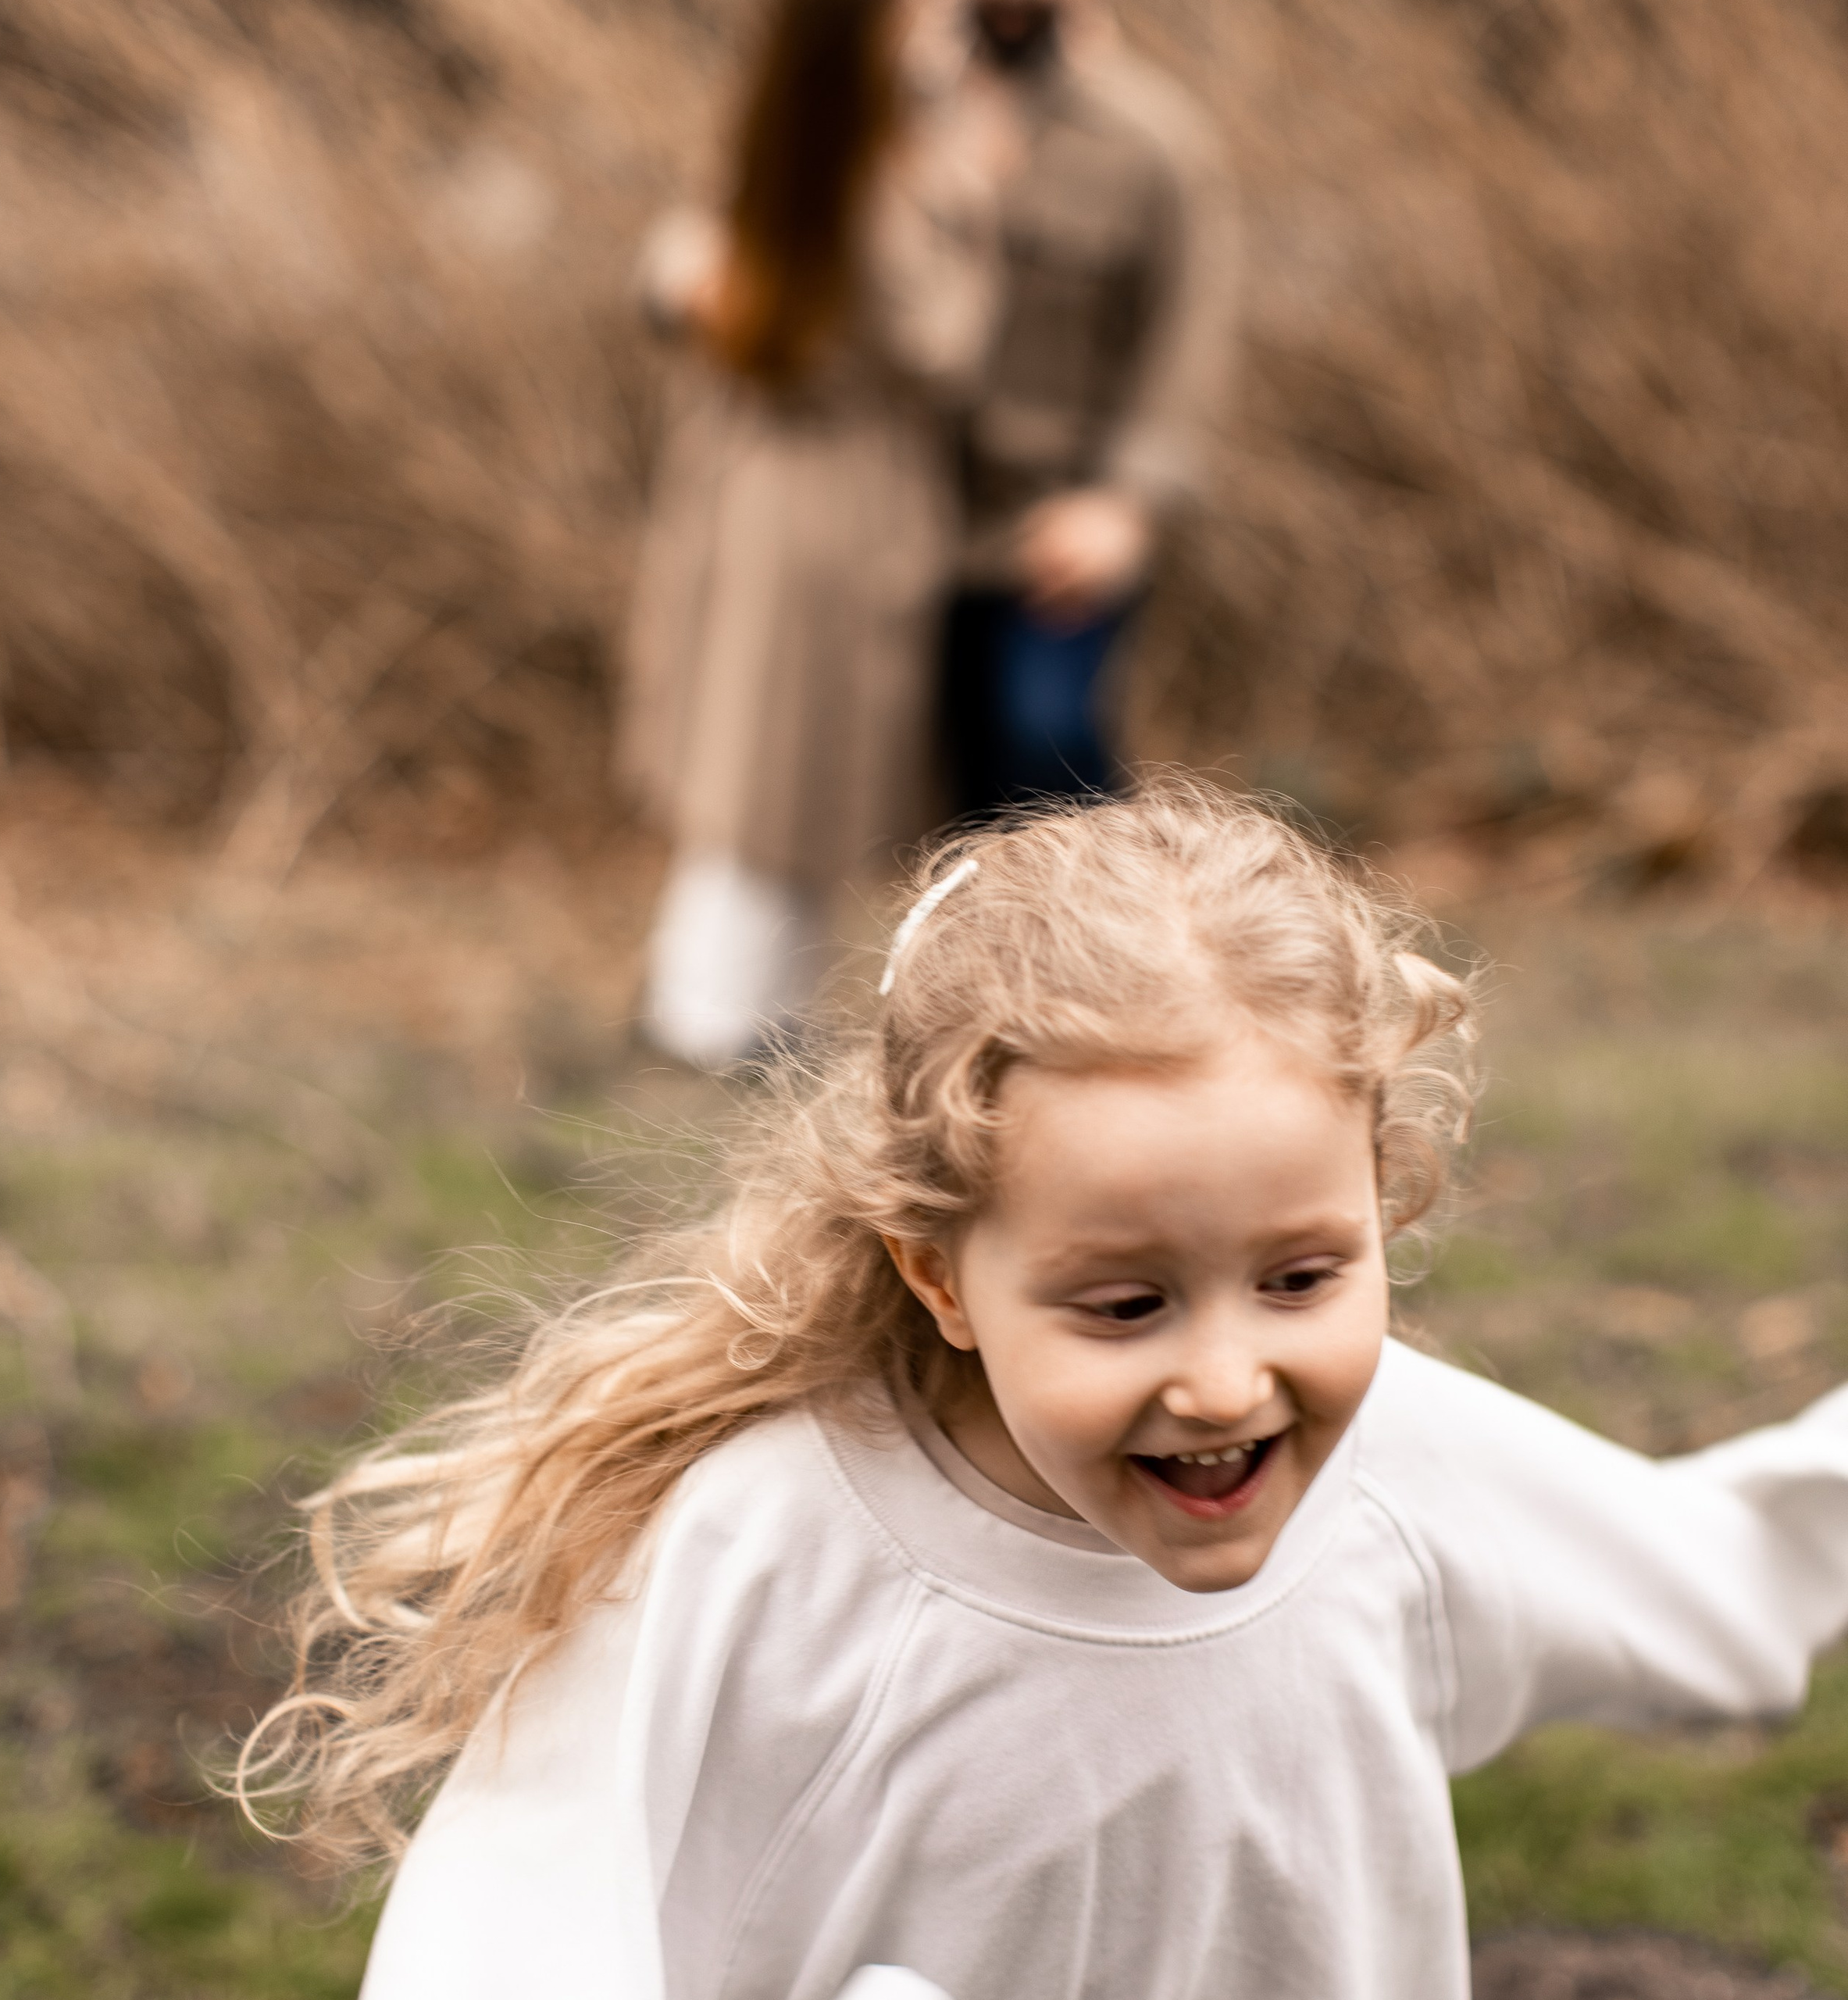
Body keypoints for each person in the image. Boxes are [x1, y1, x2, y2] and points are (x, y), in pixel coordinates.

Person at [241, 779, 1848, 2000]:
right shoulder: (760, 1553)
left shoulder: (1404, 1476)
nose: (1225, 1378)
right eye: (1123, 1302)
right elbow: (502, 1944)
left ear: (1383, 1202)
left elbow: (1724, 1578)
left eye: (1300, 1276)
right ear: (941, 1271)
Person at [619, 0, 1004, 1069]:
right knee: (784, 767)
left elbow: (683, 256)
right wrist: (977, 201)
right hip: (838, 509)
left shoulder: (791, 143)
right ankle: (710, 1018)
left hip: (761, 492)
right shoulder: (872, 176)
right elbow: (943, 347)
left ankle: (737, 1009)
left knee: (769, 763)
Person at [939, 0, 1241, 815]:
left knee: (1047, 742)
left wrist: (1125, 502)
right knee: (942, 793)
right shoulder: (903, 118)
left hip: (1054, 516)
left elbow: (1188, 336)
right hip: (910, 517)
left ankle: (1112, 929)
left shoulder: (1147, 138)